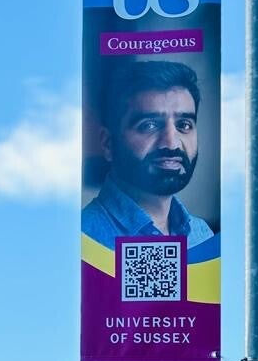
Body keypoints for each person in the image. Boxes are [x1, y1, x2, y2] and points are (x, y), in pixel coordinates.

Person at [81, 59, 217, 251]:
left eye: (184, 125)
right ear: (108, 143)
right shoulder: (83, 239)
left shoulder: (201, 235)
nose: (172, 143)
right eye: (149, 125)